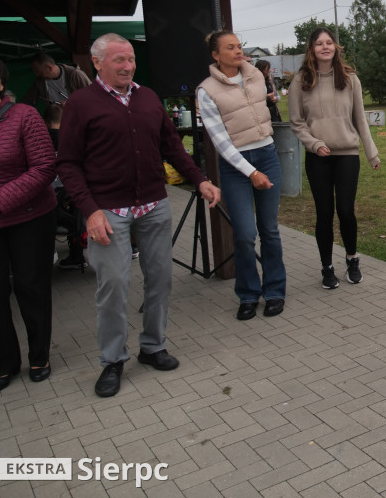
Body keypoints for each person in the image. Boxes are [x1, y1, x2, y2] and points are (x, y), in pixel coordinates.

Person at [57, 34, 220, 398]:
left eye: (130, 59)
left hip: (153, 205)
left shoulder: (147, 98)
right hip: (107, 211)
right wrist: (90, 211)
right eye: (118, 60)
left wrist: (200, 180)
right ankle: (112, 360)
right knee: (113, 284)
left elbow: (171, 146)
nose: (128, 66)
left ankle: (152, 346)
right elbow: (67, 164)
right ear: (97, 63)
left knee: (160, 277)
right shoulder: (81, 104)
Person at [197, 31, 285, 321]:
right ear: (215, 55)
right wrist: (252, 172)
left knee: (269, 230)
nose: (238, 51)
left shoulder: (256, 76)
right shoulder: (206, 90)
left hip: (267, 155)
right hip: (236, 165)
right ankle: (248, 294)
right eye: (229, 47)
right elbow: (220, 142)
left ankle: (274, 290)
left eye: (238, 46)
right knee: (245, 234)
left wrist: (262, 166)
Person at [289, 27, 380, 290]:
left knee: (346, 210)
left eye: (329, 42)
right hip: (317, 157)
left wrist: (371, 152)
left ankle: (352, 260)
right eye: (319, 43)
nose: (325, 47)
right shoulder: (301, 80)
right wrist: (314, 144)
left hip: (347, 155)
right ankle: (327, 267)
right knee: (324, 213)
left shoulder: (350, 79)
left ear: (336, 47)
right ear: (312, 49)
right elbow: (296, 122)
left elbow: (360, 118)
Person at [0, 54, 57, 392]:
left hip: (30, 217)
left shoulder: (24, 116)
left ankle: (39, 355)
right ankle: (4, 362)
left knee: (30, 286)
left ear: (1, 83)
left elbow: (45, 168)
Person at [44, 103, 86, 270]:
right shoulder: (77, 139)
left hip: (51, 204)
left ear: (45, 122)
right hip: (75, 201)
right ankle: (77, 254)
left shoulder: (39, 140)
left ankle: (50, 250)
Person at [21, 51, 91, 107]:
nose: (36, 74)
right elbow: (27, 100)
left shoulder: (75, 74)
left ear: (49, 68)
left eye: (38, 72)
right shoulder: (40, 81)